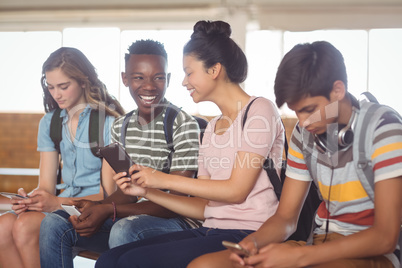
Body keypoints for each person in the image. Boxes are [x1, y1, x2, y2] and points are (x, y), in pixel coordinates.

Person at [189, 41, 402, 268]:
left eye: (309, 109)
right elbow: (285, 218)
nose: (302, 122)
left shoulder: (383, 127)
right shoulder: (305, 133)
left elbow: (385, 237)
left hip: (369, 253)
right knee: (205, 265)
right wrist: (252, 243)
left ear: (338, 91)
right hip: (317, 245)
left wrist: (298, 257)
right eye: (296, 111)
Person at [95, 20, 285, 268]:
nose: (184, 82)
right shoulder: (211, 128)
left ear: (214, 70)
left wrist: (159, 179)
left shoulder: (259, 111)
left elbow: (236, 191)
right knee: (109, 260)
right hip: (212, 229)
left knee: (130, 261)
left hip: (248, 233)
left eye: (189, 72)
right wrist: (147, 191)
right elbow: (204, 207)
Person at [39, 39, 202, 268]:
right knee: (54, 225)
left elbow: (175, 203)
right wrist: (95, 207)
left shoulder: (182, 124)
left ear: (168, 79)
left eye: (158, 77)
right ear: (125, 79)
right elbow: (126, 193)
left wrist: (108, 208)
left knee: (124, 228)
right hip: (130, 217)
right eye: (138, 77)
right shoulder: (121, 127)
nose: (149, 86)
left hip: (174, 223)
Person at [0, 47, 124, 268]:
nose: (56, 94)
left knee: (24, 226)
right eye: (50, 87)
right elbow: (46, 186)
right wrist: (32, 199)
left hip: (93, 210)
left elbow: (111, 196)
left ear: (84, 82)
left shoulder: (109, 124)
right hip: (62, 205)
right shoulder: (50, 122)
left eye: (63, 87)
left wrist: (56, 202)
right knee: (3, 226)